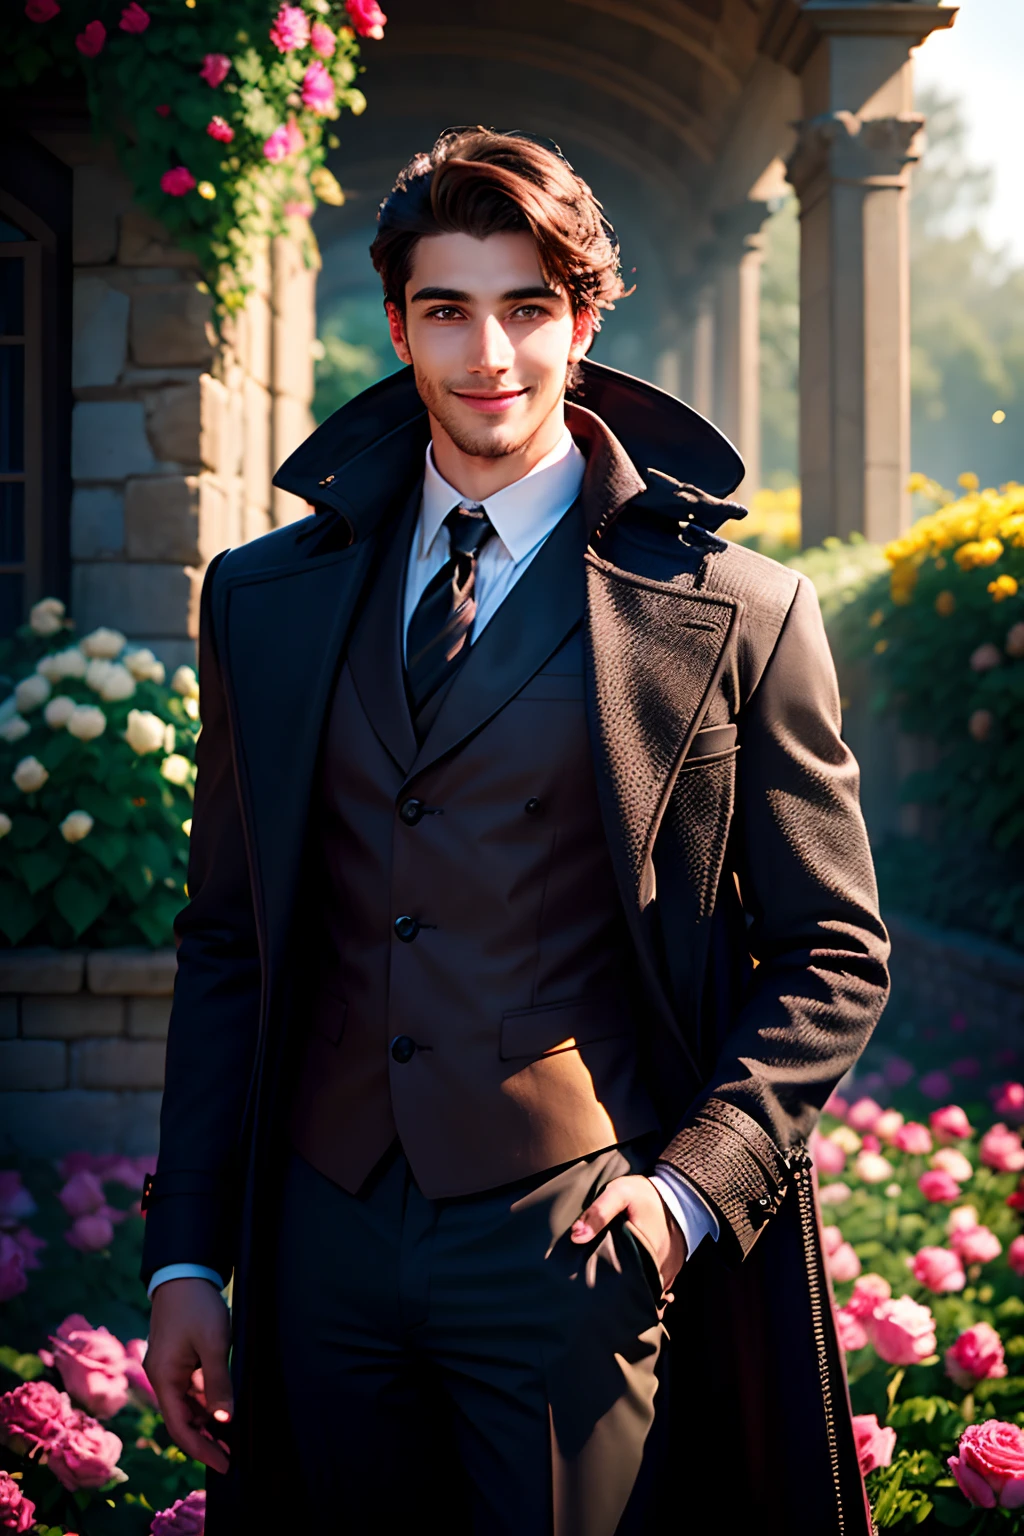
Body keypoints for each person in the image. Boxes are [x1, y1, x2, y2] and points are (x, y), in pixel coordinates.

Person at [141, 127, 890, 1536]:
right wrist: (186, 1257)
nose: (491, 353)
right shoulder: (265, 599)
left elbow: (834, 952)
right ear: (398, 325)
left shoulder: (740, 609)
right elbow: (229, 938)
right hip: (320, 1237)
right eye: (448, 309)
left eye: (528, 307)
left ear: (584, 321)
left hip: (572, 1245)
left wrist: (687, 1194)